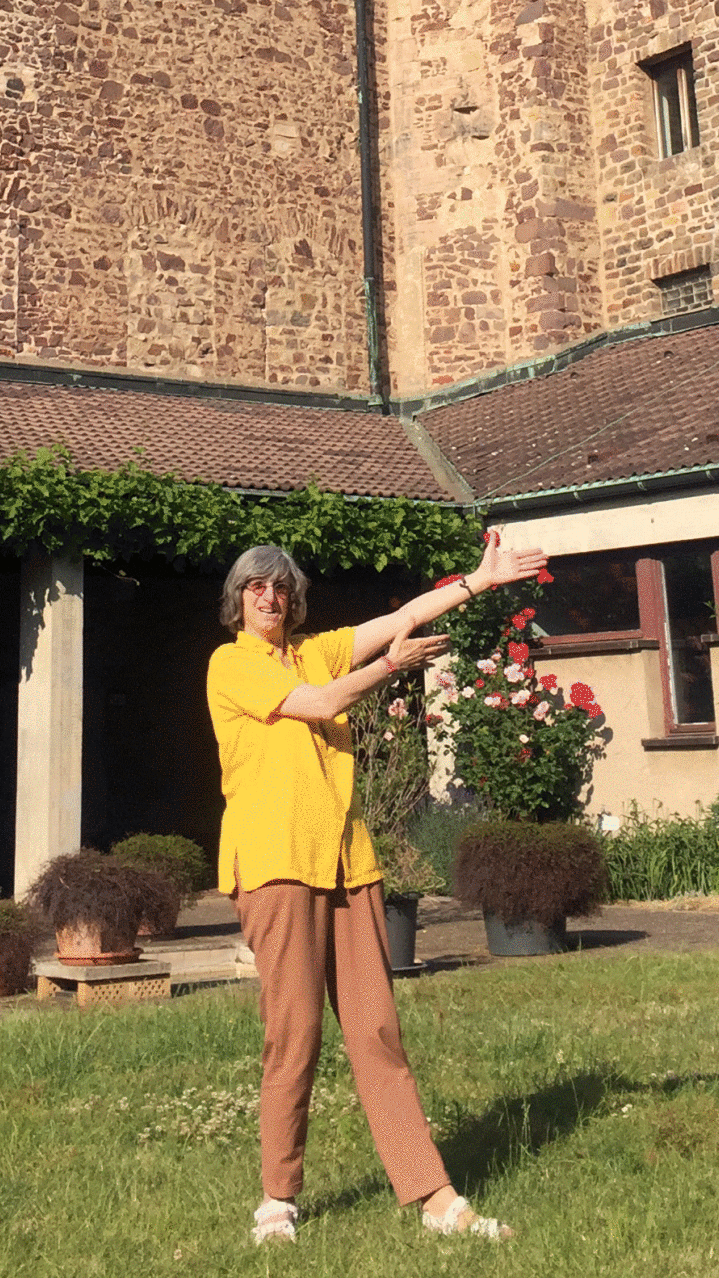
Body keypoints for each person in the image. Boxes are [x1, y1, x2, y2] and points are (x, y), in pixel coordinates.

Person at [206, 527, 549, 1246]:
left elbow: (400, 620)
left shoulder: (310, 648)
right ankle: (277, 1200)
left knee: (376, 1032)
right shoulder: (231, 665)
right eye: (256, 587)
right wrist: (390, 668)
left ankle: (435, 1196)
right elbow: (320, 704)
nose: (270, 597)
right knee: (293, 1033)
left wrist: (479, 582)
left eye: (281, 587)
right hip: (274, 864)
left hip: (345, 864)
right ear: (237, 602)